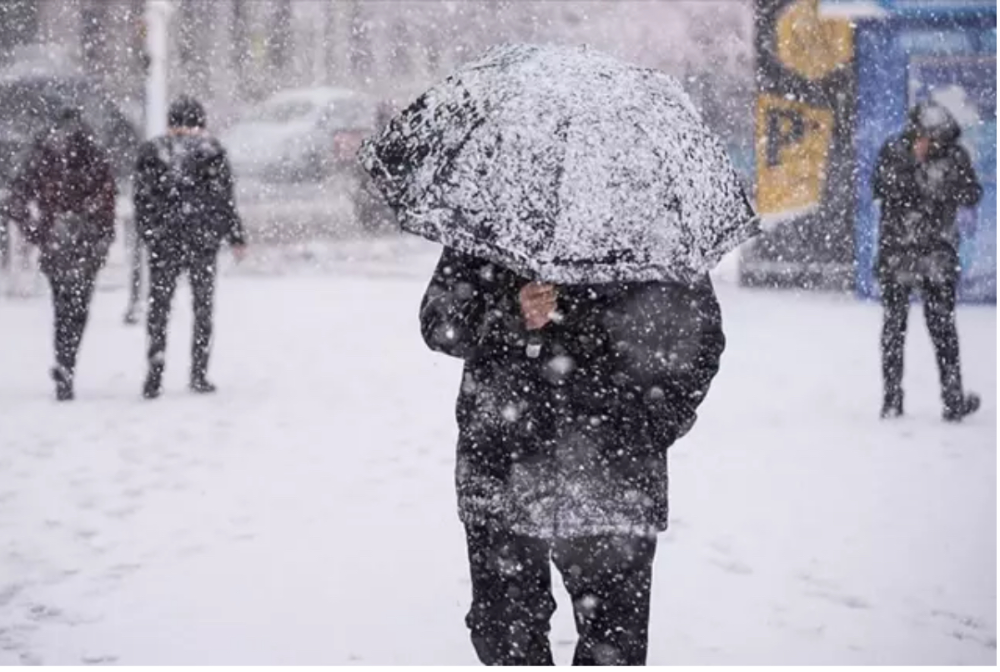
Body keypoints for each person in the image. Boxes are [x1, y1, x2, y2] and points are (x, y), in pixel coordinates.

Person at [419, 247, 725, 665]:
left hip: (614, 476)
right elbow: (439, 322)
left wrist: (650, 426)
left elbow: (701, 337)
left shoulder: (649, 221)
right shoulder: (497, 210)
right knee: (506, 637)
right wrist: (511, 311)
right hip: (504, 466)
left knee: (614, 647)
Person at [873, 101, 982, 421]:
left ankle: (951, 400)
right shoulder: (896, 152)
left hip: (934, 255)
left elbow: (972, 193)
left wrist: (936, 174)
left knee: (941, 330)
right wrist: (917, 168)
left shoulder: (953, 156)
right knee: (896, 329)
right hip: (903, 255)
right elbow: (881, 188)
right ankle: (893, 400)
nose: (929, 142)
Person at [133, 96, 247, 399]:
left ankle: (155, 371)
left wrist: (150, 233)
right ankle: (198, 372)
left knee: (159, 307)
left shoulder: (152, 151)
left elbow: (142, 199)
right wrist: (234, 235)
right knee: (203, 307)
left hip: (165, 241)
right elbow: (224, 199)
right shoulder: (211, 151)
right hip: (202, 241)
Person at [5, 106, 116, 401]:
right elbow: (107, 201)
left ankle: (64, 360)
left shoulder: (44, 156)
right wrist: (103, 235)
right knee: (78, 308)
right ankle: (68, 361)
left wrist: (36, 230)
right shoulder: (93, 156)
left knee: (63, 306)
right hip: (85, 242)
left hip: (57, 242)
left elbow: (16, 199)